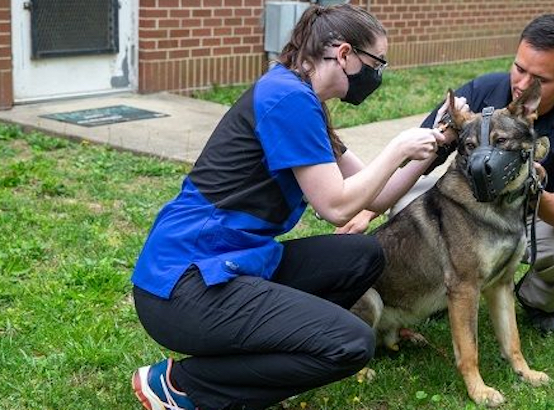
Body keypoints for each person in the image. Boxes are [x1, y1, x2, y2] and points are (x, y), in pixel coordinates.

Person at [129, 4, 453, 410]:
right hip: (182, 286)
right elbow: (337, 207)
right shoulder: (287, 99)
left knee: (363, 254)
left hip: (231, 264)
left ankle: (270, 358)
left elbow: (375, 196)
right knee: (351, 343)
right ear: (345, 54)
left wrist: (434, 151)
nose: (378, 75)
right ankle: (183, 384)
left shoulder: (302, 98)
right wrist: (396, 148)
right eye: (376, 62)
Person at [343, 13, 554, 335]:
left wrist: (527, 182)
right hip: (468, 206)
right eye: (519, 68)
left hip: (531, 213)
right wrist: (369, 209)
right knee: (407, 209)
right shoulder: (483, 92)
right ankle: (436, 294)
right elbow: (420, 157)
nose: (522, 85)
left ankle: (537, 300)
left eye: (538, 79)